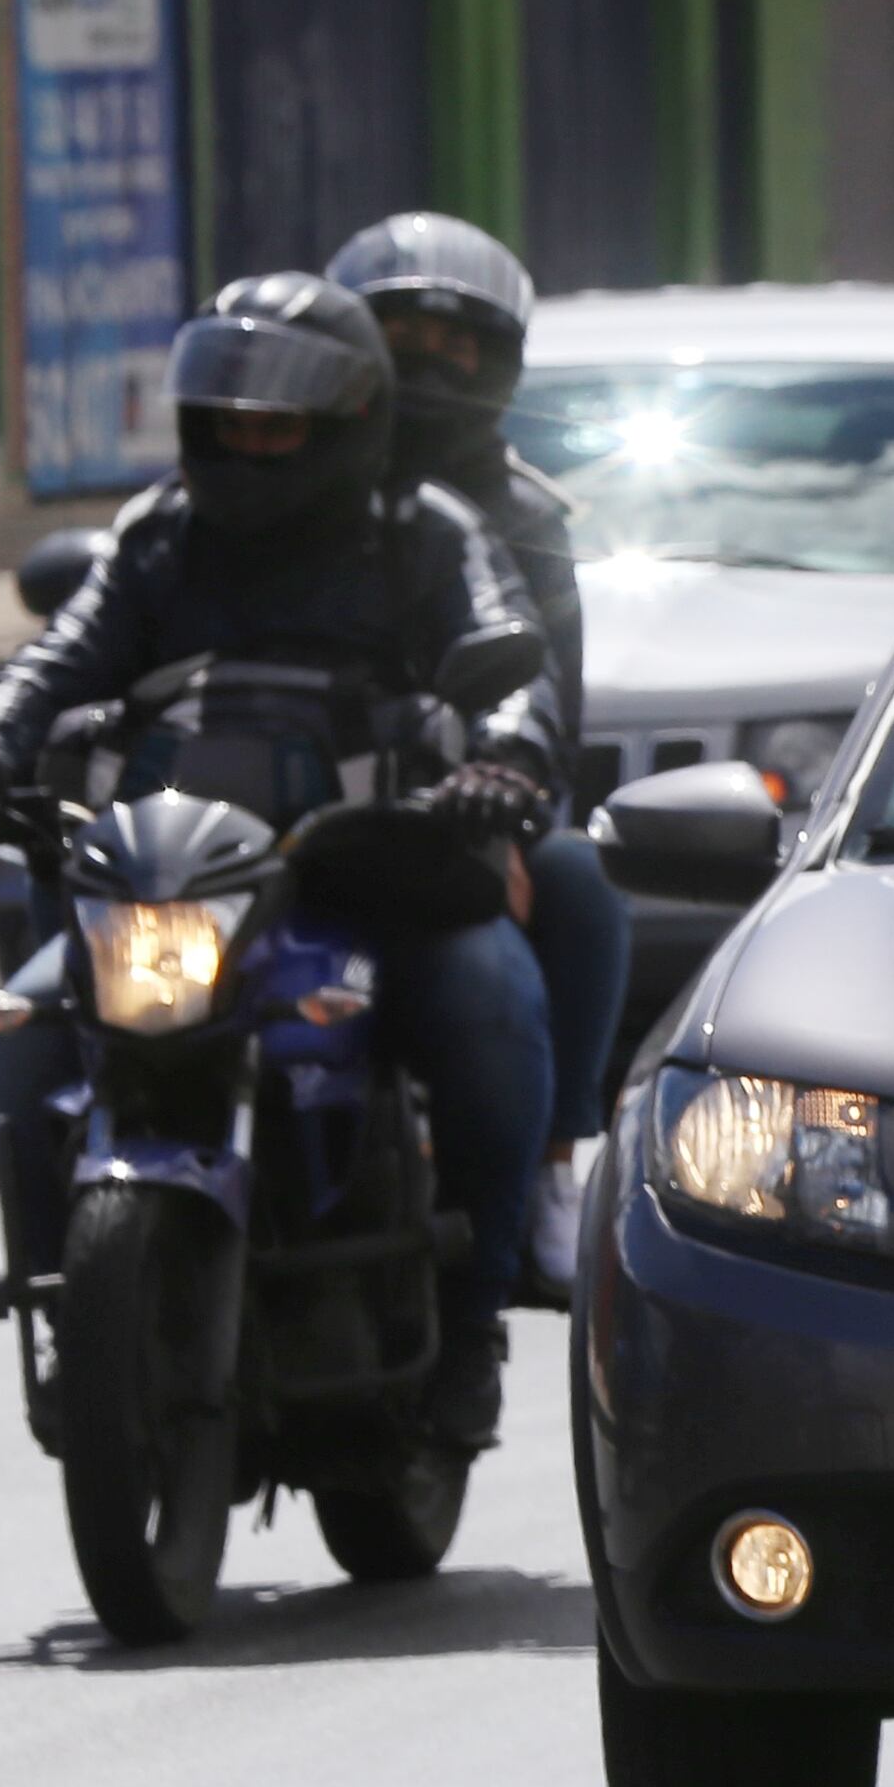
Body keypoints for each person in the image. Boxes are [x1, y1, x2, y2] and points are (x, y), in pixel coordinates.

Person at [0, 277, 565, 1447]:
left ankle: (470, 1326)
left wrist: (505, 760)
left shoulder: (426, 533)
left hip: (373, 871)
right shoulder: (160, 535)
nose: (250, 448)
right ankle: (74, 1313)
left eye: (280, 427)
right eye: (229, 423)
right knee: (29, 1024)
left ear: (349, 422)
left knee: (490, 999)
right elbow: (53, 661)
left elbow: (510, 662)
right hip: (181, 880)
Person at [330, 210, 627, 1292]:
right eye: (399, 337)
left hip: (462, 802)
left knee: (576, 880)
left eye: (459, 347)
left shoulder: (520, 522)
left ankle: (546, 1170)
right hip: (289, 799)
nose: (427, 367)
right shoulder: (285, 489)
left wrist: (501, 785)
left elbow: (547, 693)